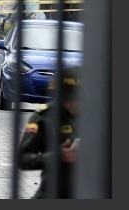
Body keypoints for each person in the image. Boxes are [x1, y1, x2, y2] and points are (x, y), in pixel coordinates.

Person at [18, 66, 81, 199]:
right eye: (68, 98)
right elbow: (23, 159)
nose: (73, 103)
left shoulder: (98, 117)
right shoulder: (44, 117)